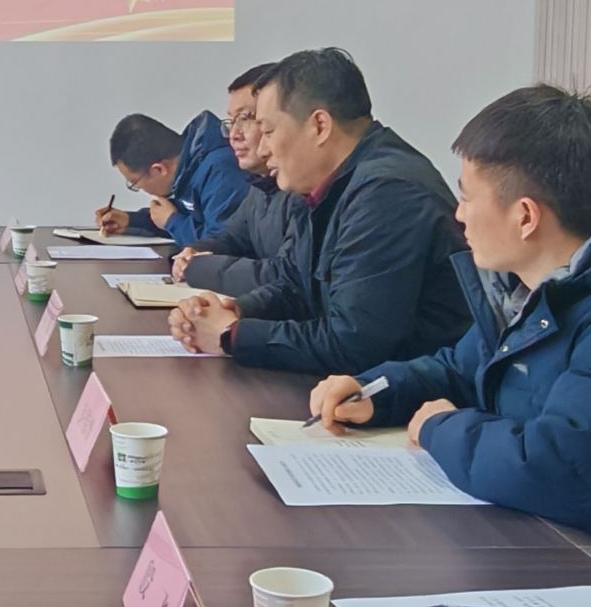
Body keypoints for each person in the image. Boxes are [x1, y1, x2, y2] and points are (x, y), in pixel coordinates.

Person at [310, 86, 591, 607]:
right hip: (550, 566)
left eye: (467, 198)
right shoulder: (535, 288)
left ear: (525, 216)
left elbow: (566, 470)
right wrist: (377, 391)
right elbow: (462, 370)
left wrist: (439, 429)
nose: (458, 215)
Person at [170, 49, 468, 374]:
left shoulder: (387, 192)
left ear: (319, 126)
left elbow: (355, 343)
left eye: (268, 132)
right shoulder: (323, 184)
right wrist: (237, 310)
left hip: (406, 392)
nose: (263, 149)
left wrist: (231, 335)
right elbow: (295, 285)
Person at [173, 63, 297, 291]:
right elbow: (231, 238)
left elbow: (287, 277)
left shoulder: (300, 188)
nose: (234, 135)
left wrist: (202, 268)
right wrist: (196, 251)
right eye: (231, 122)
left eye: (246, 118)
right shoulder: (260, 185)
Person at [94, 109, 250, 246]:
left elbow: (221, 245)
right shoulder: (189, 167)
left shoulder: (221, 171)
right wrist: (131, 220)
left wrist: (172, 222)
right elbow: (184, 216)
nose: (140, 189)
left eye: (135, 183)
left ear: (159, 169)